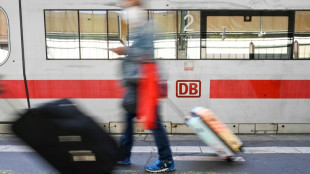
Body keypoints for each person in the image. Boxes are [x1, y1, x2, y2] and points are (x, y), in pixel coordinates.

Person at [110, 0, 175, 172]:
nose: (125, 8)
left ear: (137, 6)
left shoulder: (146, 27)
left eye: (128, 5)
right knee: (129, 118)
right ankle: (123, 155)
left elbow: (146, 54)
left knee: (154, 122)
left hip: (144, 84)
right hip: (136, 84)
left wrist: (124, 51)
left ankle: (166, 160)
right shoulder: (140, 27)